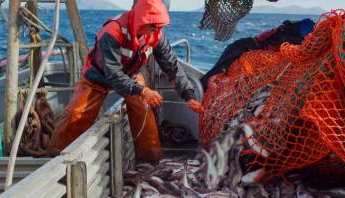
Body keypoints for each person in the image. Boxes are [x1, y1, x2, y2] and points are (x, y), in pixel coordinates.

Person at [47, 0, 204, 160]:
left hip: (130, 76)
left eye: (159, 26)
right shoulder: (112, 32)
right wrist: (143, 91)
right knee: (75, 115)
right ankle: (54, 159)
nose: (157, 30)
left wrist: (189, 96)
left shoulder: (156, 35)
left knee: (144, 109)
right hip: (98, 77)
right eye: (153, 26)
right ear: (142, 19)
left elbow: (172, 67)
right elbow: (113, 74)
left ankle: (150, 161)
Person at [200, 18, 316, 89]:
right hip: (243, 48)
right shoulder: (291, 32)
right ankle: (194, 95)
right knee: (214, 75)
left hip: (251, 55)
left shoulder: (291, 32)